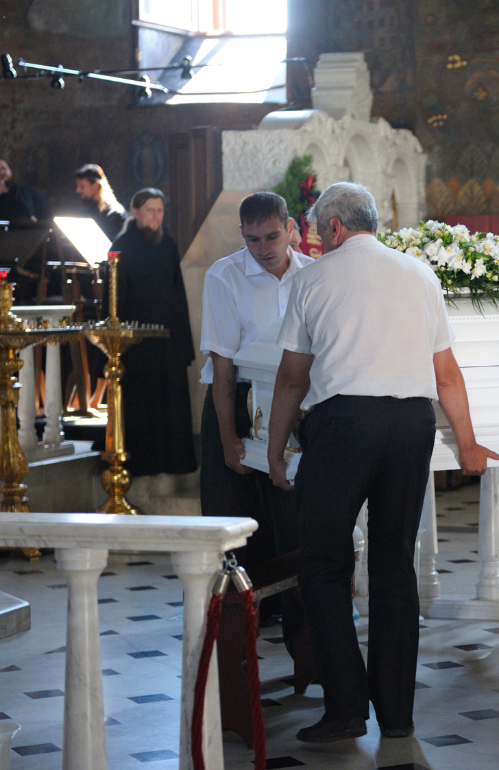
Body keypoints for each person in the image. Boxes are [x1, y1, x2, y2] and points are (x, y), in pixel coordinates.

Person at [266, 182, 499, 743]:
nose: (318, 238)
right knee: (395, 564)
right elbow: (447, 373)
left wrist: (275, 448)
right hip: (410, 426)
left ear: (337, 228)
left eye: (320, 229)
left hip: (344, 425)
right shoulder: (419, 275)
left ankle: (346, 707)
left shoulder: (312, 279)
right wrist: (466, 444)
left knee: (323, 562)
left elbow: (293, 376)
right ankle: (397, 716)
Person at [199, 191, 313, 648]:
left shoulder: (312, 273)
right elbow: (223, 365)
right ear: (241, 236)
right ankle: (242, 628)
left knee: (292, 516)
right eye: (252, 240)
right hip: (237, 404)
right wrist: (229, 439)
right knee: (237, 521)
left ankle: (301, 632)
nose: (264, 248)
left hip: (293, 405)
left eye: (271, 236)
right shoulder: (224, 276)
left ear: (291, 228)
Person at [108, 188, 197, 479]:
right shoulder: (121, 247)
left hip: (168, 343)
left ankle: (175, 464)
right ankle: (144, 466)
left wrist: (184, 346)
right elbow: (113, 302)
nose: (156, 216)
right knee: (143, 408)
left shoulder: (168, 245)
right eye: (150, 210)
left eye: (160, 210)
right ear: (135, 212)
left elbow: (179, 296)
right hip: (138, 345)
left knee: (171, 407)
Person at [0, 156, 51, 223]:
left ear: (10, 171)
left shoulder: (31, 192)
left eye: (3, 168)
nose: (1, 173)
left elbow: (48, 219)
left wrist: (37, 226)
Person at [74, 164, 126, 240]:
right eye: (77, 186)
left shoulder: (115, 214)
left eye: (82, 186)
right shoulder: (85, 211)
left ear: (96, 186)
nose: (78, 190)